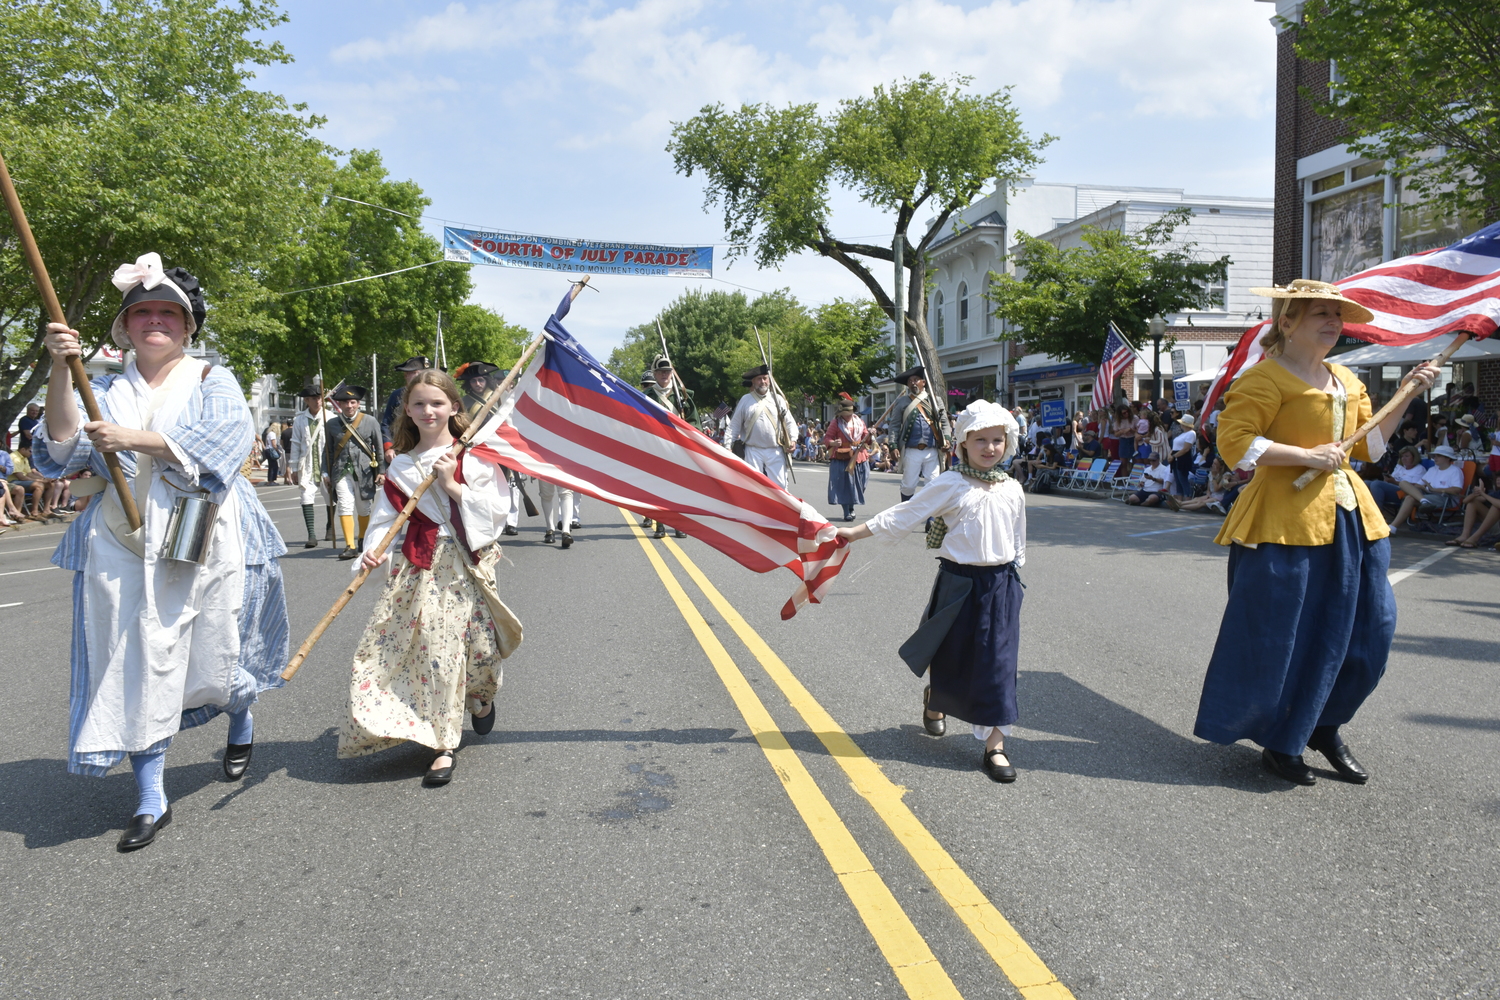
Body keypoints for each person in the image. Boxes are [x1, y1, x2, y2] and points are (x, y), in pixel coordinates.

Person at [36, 252, 290, 851]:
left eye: (167, 313)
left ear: (188, 325)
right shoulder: (97, 386)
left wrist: (135, 440)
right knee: (134, 662)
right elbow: (60, 450)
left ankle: (239, 712)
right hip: (119, 542)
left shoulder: (212, 379)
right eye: (141, 312)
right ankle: (151, 795)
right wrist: (58, 368)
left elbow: (227, 441)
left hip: (201, 535)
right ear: (123, 327)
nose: (155, 321)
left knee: (213, 656)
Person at [1194, 279, 1440, 786]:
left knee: (1371, 633)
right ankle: (1283, 739)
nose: (1333, 322)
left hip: (1352, 519)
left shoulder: (1347, 379)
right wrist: (1306, 455)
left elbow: (1369, 447)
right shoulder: (1264, 380)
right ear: (1287, 323)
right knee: (1283, 637)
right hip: (1283, 521)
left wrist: (1407, 395)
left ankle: (1323, 725)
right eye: (1320, 314)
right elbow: (1234, 446)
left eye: (1337, 315)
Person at [340, 370, 522, 784]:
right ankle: (442, 744)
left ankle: (480, 698)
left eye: (437, 403)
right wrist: (373, 552)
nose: (428, 411)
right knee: (432, 652)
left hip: (467, 565)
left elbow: (496, 513)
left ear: (454, 407)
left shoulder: (473, 456)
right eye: (419, 403)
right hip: (422, 567)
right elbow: (386, 522)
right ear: (407, 409)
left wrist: (451, 484)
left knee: (478, 650)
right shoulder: (401, 466)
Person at [836, 399, 1027, 783]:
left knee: (999, 665)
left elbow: (1018, 538)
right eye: (981, 441)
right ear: (963, 445)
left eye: (997, 440)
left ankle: (996, 745)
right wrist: (855, 533)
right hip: (959, 583)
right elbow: (905, 515)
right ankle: (935, 698)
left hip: (1001, 585)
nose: (990, 448)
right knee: (952, 656)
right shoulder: (951, 483)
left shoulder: (1013, 489)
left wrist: (1015, 581)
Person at [323, 385, 387, 560]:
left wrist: (381, 470)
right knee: (345, 503)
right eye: (345, 403)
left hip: (365, 471)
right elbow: (328, 451)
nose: (349, 406)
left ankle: (362, 539)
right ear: (339, 405)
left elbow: (379, 447)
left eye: (353, 402)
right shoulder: (331, 424)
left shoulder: (370, 421)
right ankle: (350, 545)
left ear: (358, 404)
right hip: (340, 471)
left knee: (363, 507)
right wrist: (325, 473)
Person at [724, 364, 798, 489]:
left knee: (780, 486)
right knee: (753, 486)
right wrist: (727, 446)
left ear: (769, 380)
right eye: (759, 379)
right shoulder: (745, 400)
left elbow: (789, 422)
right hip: (753, 450)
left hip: (775, 449)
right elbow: (734, 425)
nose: (762, 381)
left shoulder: (778, 399)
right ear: (753, 381)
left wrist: (793, 439)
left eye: (765, 378)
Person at [644, 356, 691, 538]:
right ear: (655, 374)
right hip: (657, 447)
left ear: (672, 374)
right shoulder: (647, 396)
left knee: (679, 489)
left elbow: (693, 422)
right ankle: (661, 525)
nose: (664, 374)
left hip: (678, 448)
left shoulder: (683, 395)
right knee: (660, 488)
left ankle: (679, 525)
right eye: (661, 371)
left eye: (667, 371)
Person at [288, 380, 333, 548]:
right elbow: (296, 443)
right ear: (306, 401)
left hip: (326, 465)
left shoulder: (331, 417)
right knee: (306, 496)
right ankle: (311, 534)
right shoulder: (300, 419)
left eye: (319, 397)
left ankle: (330, 527)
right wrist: (293, 467)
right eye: (312, 398)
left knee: (330, 498)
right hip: (307, 465)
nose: (317, 401)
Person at [889, 366, 945, 502]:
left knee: (933, 484)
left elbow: (945, 422)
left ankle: (931, 519)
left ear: (923, 382)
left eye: (916, 380)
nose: (913, 383)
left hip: (932, 449)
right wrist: (893, 445)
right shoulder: (902, 402)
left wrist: (947, 438)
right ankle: (907, 514)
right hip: (911, 450)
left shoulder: (935, 400)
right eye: (910, 381)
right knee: (908, 485)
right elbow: (895, 425)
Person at [1387, 444, 1465, 532]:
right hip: (1427, 494)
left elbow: (1457, 490)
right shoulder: (1433, 469)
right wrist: (1423, 488)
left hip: (1445, 497)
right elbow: (1418, 484)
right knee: (1403, 483)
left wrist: (1434, 490)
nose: (1435, 458)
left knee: (1409, 498)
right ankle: (1423, 501)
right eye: (1434, 456)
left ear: (1447, 458)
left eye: (1438, 456)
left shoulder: (1455, 471)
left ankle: (1393, 526)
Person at [821, 398, 871, 521]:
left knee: (862, 482)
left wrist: (871, 433)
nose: (847, 416)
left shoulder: (860, 422)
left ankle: (852, 505)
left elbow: (867, 439)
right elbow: (827, 438)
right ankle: (847, 511)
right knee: (844, 486)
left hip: (859, 456)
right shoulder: (836, 423)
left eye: (849, 414)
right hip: (842, 457)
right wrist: (833, 443)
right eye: (844, 414)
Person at [380, 356, 431, 461]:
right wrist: (389, 447)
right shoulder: (396, 395)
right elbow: (386, 423)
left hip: (427, 446)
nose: (412, 375)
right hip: (401, 448)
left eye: (416, 372)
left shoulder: (433, 394)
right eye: (409, 373)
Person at [1447, 468, 1500, 549]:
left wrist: (1483, 494)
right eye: (1497, 477)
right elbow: (1465, 501)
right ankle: (1464, 535)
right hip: (1495, 526)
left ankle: (1475, 538)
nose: (1498, 480)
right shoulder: (1496, 493)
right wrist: (1476, 493)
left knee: (1495, 507)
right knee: (1473, 503)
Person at [1366, 446, 1427, 512]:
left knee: (1376, 484)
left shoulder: (1419, 469)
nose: (1403, 458)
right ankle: (1365, 511)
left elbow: (1416, 486)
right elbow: (1392, 479)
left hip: (1403, 493)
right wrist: (1388, 479)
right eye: (1402, 456)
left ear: (1414, 457)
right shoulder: (1400, 467)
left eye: (1406, 456)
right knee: (1366, 483)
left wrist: (1394, 482)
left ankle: (1377, 513)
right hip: (1392, 489)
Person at [1169, 415, 1197, 497]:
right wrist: (1170, 455)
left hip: (1183, 458)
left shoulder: (1191, 433)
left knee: (1183, 480)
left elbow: (1186, 449)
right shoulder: (1183, 434)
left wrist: (1174, 456)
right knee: (1178, 481)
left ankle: (1187, 498)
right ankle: (1179, 500)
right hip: (1176, 457)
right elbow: (1175, 447)